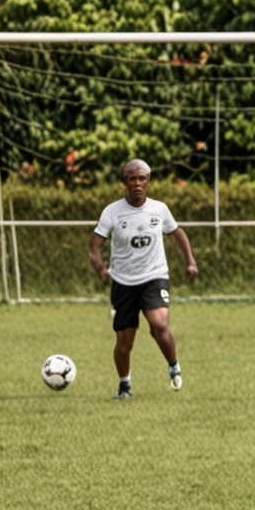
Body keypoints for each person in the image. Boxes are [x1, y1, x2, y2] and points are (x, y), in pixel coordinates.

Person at [88, 159, 198, 399]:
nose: (137, 183)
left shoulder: (159, 209)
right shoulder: (112, 212)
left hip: (154, 277)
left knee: (159, 325)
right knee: (125, 341)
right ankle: (124, 385)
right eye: (132, 178)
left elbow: (177, 233)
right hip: (123, 282)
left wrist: (190, 261)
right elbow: (95, 245)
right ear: (124, 183)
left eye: (142, 178)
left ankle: (173, 367)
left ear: (148, 182)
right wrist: (99, 268)